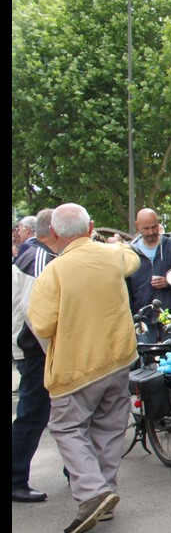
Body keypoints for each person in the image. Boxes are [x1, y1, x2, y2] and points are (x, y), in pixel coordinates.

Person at [27, 203, 140, 533]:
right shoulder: (112, 257)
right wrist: (115, 243)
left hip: (77, 366)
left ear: (56, 234)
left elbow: (42, 324)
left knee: (67, 428)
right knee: (109, 426)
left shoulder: (54, 272)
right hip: (118, 358)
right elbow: (131, 257)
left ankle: (93, 494)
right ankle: (105, 492)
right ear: (90, 227)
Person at [11, 209, 58, 502]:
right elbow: (34, 313)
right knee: (33, 413)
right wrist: (52, 350)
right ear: (54, 230)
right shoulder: (39, 258)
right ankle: (15, 479)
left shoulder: (34, 254)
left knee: (39, 412)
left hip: (31, 347)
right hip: (34, 349)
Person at [128, 208, 171, 336]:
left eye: (154, 227)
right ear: (137, 226)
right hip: (142, 319)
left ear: (158, 223)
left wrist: (168, 282)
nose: (151, 232)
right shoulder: (129, 252)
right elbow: (126, 288)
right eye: (146, 228)